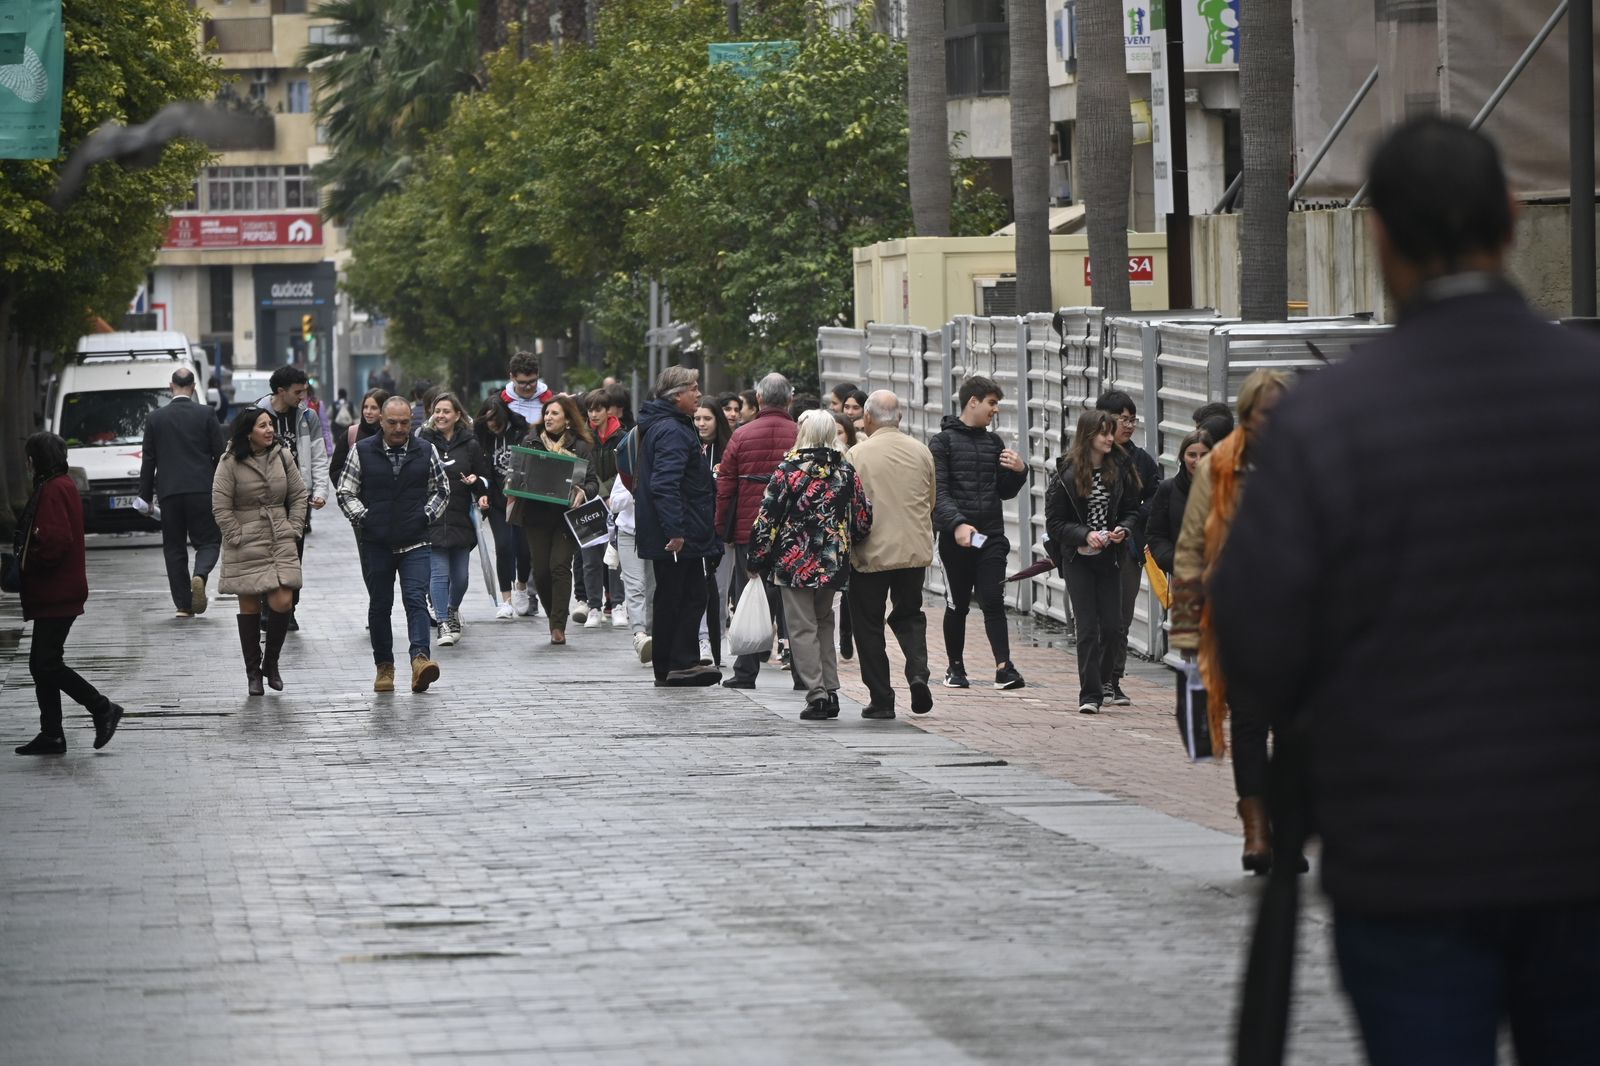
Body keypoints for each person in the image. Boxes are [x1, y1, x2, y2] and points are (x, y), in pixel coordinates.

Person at [1212, 117, 1600, 1066]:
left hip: (1407, 850)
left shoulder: (1329, 421)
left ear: (1378, 233)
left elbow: (1258, 639)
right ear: (1512, 217)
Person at [1169, 368, 1292, 870]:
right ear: (1246, 415)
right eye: (1264, 413)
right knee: (1250, 720)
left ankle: (1286, 824)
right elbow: (1190, 548)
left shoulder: (1308, 460)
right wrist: (1186, 625)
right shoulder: (1218, 467)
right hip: (1237, 614)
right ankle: (1257, 831)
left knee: (1295, 726)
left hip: (1297, 616)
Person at [748, 409, 872, 719]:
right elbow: (862, 518)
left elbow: (768, 518)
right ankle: (831, 689)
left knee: (802, 627)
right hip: (832, 561)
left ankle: (816, 694)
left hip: (794, 561)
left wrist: (757, 557)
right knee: (824, 622)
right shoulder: (846, 470)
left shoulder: (788, 470)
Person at [12, 432, 124, 755]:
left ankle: (102, 708)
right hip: (56, 591)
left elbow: (56, 541)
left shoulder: (53, 489)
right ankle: (52, 734)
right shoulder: (59, 484)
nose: (28, 464)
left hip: (57, 591)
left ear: (36, 460)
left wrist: (30, 561)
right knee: (41, 664)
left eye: (30, 457)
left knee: (46, 662)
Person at [336, 396, 450, 693]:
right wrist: (365, 518)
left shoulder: (426, 450)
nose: (399, 429)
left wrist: (426, 515)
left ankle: (420, 660)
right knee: (380, 605)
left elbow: (441, 489)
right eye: (393, 423)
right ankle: (384, 666)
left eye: (404, 423)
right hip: (377, 542)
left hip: (415, 541)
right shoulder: (362, 451)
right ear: (381, 421)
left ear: (411, 421)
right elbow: (345, 491)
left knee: (416, 600)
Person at [930, 374, 1027, 690]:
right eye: (992, 403)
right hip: (955, 537)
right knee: (957, 603)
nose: (995, 410)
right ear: (973, 402)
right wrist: (957, 523)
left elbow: (1004, 491)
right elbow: (938, 492)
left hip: (989, 536)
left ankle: (1004, 668)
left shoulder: (993, 442)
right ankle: (955, 668)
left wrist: (1020, 472)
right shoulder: (942, 443)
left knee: (993, 599)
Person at [845, 391, 935, 719]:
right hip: (913, 550)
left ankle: (881, 698)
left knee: (868, 624)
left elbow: (849, 504)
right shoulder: (921, 451)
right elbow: (930, 500)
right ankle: (918, 673)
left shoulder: (856, 454)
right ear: (900, 417)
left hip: (870, 553)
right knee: (909, 614)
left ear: (867, 417)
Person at [1045, 410, 1140, 714]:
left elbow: (1132, 511)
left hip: (1110, 557)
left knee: (1112, 627)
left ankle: (1103, 680)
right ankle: (1090, 694)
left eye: (1111, 432)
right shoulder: (1067, 473)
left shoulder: (1121, 468)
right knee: (1087, 627)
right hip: (1078, 558)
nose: (1111, 438)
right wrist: (1085, 534)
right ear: (1088, 436)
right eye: (1104, 433)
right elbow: (1054, 523)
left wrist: (1123, 529)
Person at [634, 366, 722, 686]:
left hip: (681, 528)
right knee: (682, 596)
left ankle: (675, 663)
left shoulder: (671, 425)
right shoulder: (671, 430)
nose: (699, 394)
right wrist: (675, 530)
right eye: (693, 388)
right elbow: (665, 484)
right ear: (676, 395)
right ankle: (677, 663)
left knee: (684, 594)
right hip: (677, 533)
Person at [213, 408, 309, 696]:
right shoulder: (230, 461)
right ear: (248, 432)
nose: (269, 430)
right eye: (262, 425)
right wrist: (236, 535)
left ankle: (272, 662)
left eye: (271, 424)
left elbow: (298, 494)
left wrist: (294, 527)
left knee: (283, 600)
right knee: (250, 606)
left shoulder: (283, 455)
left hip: (279, 535)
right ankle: (253, 673)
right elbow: (220, 505)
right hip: (245, 539)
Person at [716, 372, 798, 689]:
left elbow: (725, 486)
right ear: (789, 399)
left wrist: (721, 526)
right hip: (793, 531)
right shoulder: (800, 434)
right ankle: (802, 671)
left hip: (749, 530)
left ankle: (746, 670)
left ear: (759, 399)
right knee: (794, 601)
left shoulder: (741, 435)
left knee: (748, 594)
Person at [510, 394, 599, 645]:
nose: (548, 417)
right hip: (535, 516)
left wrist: (584, 492)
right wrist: (512, 482)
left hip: (566, 517)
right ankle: (554, 615)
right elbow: (516, 473)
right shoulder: (531, 442)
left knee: (559, 566)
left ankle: (558, 626)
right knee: (540, 572)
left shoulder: (581, 446)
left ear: (568, 420)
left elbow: (593, 482)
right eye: (546, 413)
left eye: (555, 413)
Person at [137, 367, 226, 617]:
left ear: (171, 386)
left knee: (174, 547)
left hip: (169, 492)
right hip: (202, 489)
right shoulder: (206, 414)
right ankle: (200, 574)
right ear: (194, 387)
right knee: (209, 541)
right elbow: (220, 455)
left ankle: (184, 605)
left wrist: (145, 497)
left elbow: (149, 460)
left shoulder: (155, 418)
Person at [1093, 390, 1162, 706]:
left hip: (1128, 549)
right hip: (1090, 548)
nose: (1129, 426)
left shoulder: (1141, 460)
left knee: (1121, 619)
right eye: (1123, 419)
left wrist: (1132, 520)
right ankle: (1094, 680)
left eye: (1133, 420)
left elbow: (1155, 498)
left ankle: (1112, 679)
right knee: (1095, 620)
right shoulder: (1087, 456)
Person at [254, 365, 330, 629]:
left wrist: (320, 491)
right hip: (266, 498)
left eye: (304, 391)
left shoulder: (308, 417)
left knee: (293, 556)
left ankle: (288, 609)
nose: (302, 397)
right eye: (298, 392)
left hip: (298, 498)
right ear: (280, 391)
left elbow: (318, 456)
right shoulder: (257, 414)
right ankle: (267, 607)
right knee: (266, 553)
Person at [418, 392, 490, 647]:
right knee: (438, 574)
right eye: (437, 411)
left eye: (446, 411)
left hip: (461, 519)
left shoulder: (470, 444)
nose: (441, 415)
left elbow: (485, 478)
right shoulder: (423, 443)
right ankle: (443, 623)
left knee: (460, 578)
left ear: (458, 415)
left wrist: (477, 483)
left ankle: (452, 609)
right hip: (432, 518)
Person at [474, 394, 533, 619]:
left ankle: (522, 586)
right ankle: (506, 600)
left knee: (524, 550)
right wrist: (484, 494)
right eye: (488, 420)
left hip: (521, 500)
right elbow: (481, 468)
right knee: (503, 546)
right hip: (497, 501)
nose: (492, 425)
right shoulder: (482, 437)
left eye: (495, 420)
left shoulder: (521, 432)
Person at [578, 390, 626, 629]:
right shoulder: (583, 438)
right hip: (590, 501)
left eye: (598, 409)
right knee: (590, 558)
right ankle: (594, 607)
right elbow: (584, 469)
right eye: (590, 410)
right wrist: (600, 493)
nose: (594, 414)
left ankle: (618, 605)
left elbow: (625, 469)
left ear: (609, 411)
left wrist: (609, 494)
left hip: (616, 504)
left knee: (615, 556)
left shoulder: (623, 437)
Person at [693, 399, 735, 665]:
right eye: (697, 418)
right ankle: (702, 641)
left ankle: (717, 640)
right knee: (697, 589)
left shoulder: (729, 450)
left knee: (719, 591)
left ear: (717, 420)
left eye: (707, 418)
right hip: (694, 530)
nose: (701, 424)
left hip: (723, 532)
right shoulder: (689, 447)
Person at [1144, 428, 1211, 575]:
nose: (1198, 461)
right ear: (1182, 457)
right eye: (1192, 455)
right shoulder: (1167, 489)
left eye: (1204, 455)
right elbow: (1156, 535)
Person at [608, 472, 653, 664]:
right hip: (628, 533)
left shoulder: (663, 466)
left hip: (655, 533)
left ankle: (653, 635)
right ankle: (640, 635)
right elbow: (614, 504)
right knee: (635, 586)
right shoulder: (628, 471)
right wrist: (633, 492)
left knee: (653, 588)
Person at [332, 387, 387, 486]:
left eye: (374, 408)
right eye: (365, 407)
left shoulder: (392, 435)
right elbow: (335, 471)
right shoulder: (351, 433)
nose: (368, 412)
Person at [498, 350, 556, 428]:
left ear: (538, 374)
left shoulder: (552, 399)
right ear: (512, 377)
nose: (528, 387)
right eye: (522, 383)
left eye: (532, 381)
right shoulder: (500, 401)